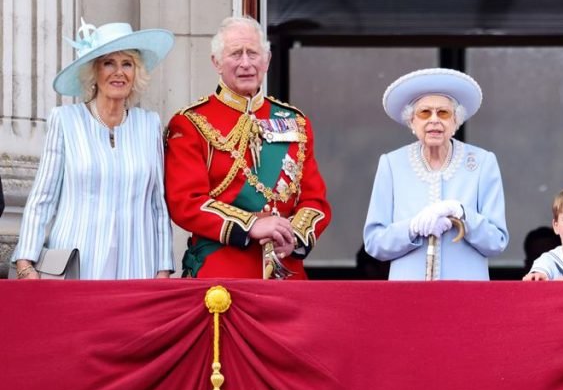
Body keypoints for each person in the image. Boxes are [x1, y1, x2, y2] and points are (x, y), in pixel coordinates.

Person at [164, 16, 331, 279]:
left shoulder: (295, 122)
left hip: (286, 271)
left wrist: (294, 238)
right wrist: (251, 225)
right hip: (221, 271)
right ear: (216, 62)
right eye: (235, 54)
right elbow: (186, 202)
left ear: (266, 61)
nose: (245, 63)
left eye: (253, 53)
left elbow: (315, 200)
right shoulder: (191, 123)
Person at [12, 21, 175, 280]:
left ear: (136, 73)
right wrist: (25, 264)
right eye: (109, 62)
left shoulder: (149, 124)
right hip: (76, 266)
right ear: (94, 71)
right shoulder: (65, 120)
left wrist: (163, 269)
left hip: (136, 266)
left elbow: (157, 204)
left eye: (127, 64)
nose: (118, 72)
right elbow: (43, 197)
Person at [363, 68, 508, 280]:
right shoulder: (391, 164)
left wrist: (461, 213)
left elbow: (497, 242)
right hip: (409, 294)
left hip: (467, 294)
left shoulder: (483, 162)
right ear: (412, 121)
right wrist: (411, 228)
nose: (434, 120)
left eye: (443, 113)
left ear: (455, 122)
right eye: (424, 113)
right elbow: (375, 243)